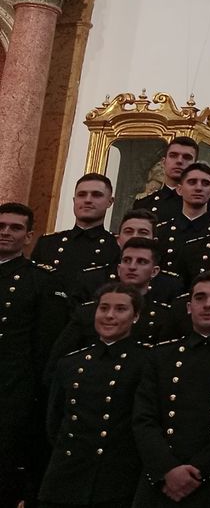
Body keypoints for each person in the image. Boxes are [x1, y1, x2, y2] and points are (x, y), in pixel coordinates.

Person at [131, 272, 210, 508]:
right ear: (189, 306)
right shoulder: (161, 355)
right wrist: (168, 469)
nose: (207, 304)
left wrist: (198, 471)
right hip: (161, 478)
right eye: (200, 298)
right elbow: (143, 418)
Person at [39, 283, 153, 507]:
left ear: (136, 316)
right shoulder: (70, 362)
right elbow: (54, 421)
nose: (109, 316)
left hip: (117, 478)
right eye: (103, 308)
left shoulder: (148, 362)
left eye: (120, 309)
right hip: (67, 472)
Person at [0, 202, 71, 507]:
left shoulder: (40, 280)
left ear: (29, 237)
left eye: (16, 228)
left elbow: (44, 345)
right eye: (1, 226)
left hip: (11, 390)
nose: (6, 233)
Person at [49, 236, 180, 359]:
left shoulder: (163, 317)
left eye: (141, 262)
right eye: (126, 260)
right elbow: (60, 358)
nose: (132, 267)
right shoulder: (88, 312)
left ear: (154, 271)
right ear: (118, 268)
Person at [32, 174, 118, 281]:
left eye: (96, 195)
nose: (88, 200)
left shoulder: (116, 245)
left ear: (110, 202)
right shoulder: (48, 243)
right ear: (74, 200)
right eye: (81, 195)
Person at [133, 137, 199, 222]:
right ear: (163, 162)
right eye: (173, 156)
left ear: (195, 166)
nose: (179, 161)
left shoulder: (204, 205)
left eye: (187, 157)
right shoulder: (144, 205)